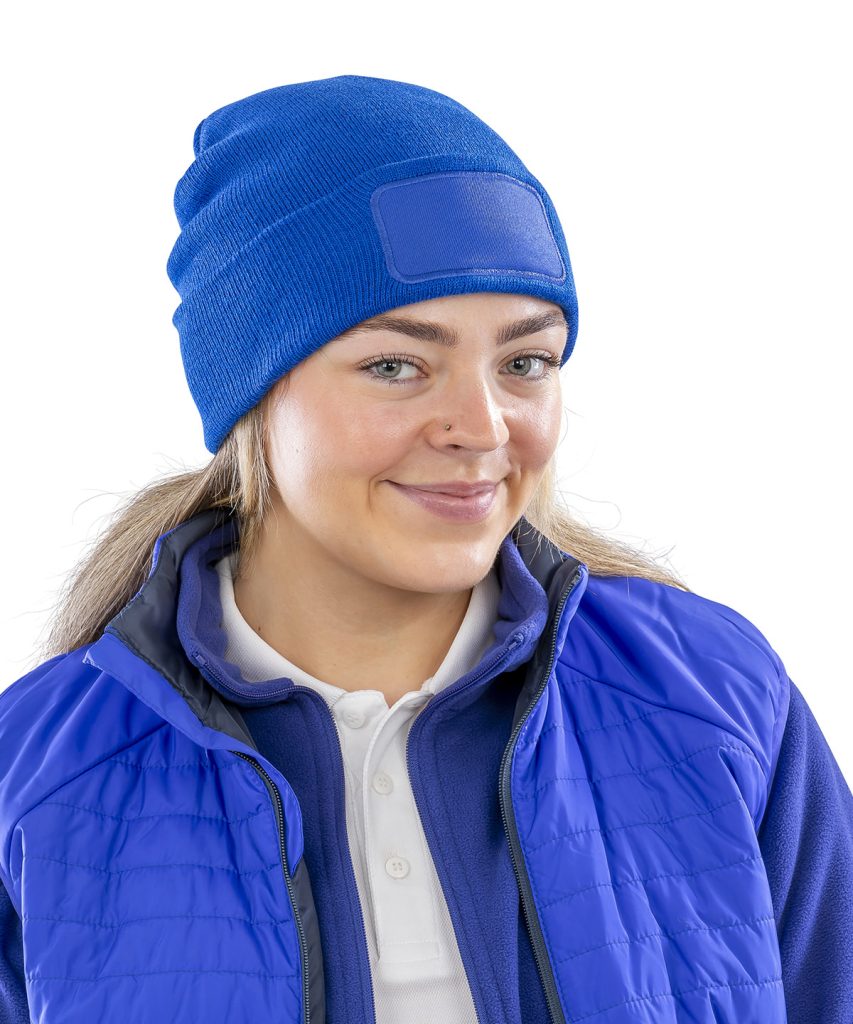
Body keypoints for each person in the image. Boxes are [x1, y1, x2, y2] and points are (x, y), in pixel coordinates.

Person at [0, 74, 850, 1024]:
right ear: (251, 393)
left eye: (524, 362)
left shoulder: (713, 696)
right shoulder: (37, 778)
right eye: (396, 365)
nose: (481, 426)